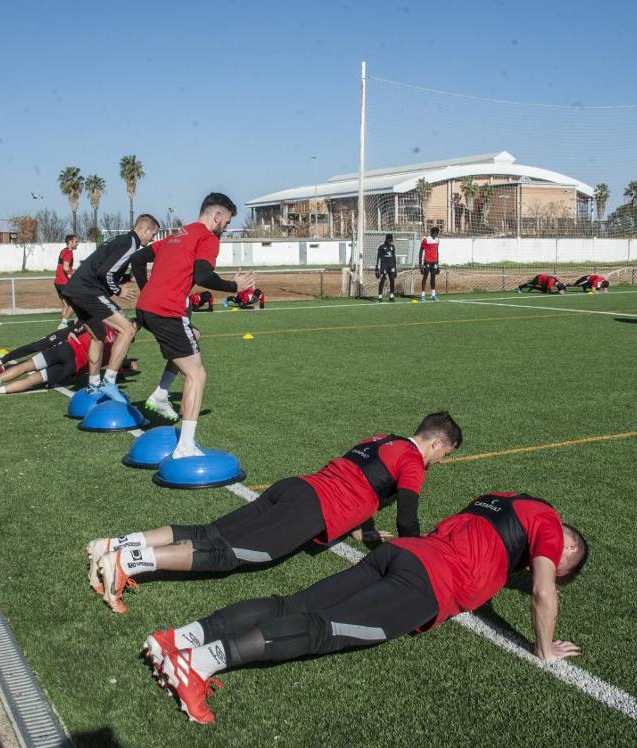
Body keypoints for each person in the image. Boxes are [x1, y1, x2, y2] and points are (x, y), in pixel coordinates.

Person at [142, 491, 588, 724]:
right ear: (567, 549)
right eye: (565, 563)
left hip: (403, 554)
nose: (547, 566)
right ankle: (198, 664)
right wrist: (544, 647)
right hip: (425, 583)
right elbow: (543, 593)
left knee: (291, 603)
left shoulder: (502, 500)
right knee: (322, 629)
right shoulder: (547, 524)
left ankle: (179, 639)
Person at [87, 412, 462, 613]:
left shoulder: (383, 440)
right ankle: (127, 563)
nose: (439, 462)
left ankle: (113, 544)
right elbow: (407, 518)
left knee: (208, 532)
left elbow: (362, 484)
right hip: (313, 507)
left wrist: (364, 533)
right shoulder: (413, 460)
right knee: (226, 554)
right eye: (444, 454)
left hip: (295, 487)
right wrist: (414, 556)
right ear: (438, 442)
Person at [127, 193, 254, 457]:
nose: (226, 228)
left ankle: (161, 394)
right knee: (197, 375)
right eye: (227, 223)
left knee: (193, 336)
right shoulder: (207, 237)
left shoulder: (177, 233)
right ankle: (185, 447)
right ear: (217, 216)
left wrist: (147, 290)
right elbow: (203, 274)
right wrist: (234, 287)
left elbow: (138, 260)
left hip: (147, 308)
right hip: (167, 310)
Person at [62, 214, 160, 395]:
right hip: (87, 290)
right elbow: (105, 273)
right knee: (128, 329)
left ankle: (93, 385)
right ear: (145, 230)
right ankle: (108, 382)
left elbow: (108, 269)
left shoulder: (122, 240)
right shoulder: (131, 244)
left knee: (98, 336)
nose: (153, 238)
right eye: (153, 234)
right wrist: (119, 290)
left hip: (75, 290)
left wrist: (126, 278)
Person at [0, 327, 128, 396]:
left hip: (67, 349)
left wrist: (74, 331)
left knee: (26, 365)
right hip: (73, 366)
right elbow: (116, 370)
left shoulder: (106, 324)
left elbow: (83, 321)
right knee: (32, 379)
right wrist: (126, 365)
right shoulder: (119, 350)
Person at [53, 234, 79, 327]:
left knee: (65, 305)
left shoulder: (63, 251)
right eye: (76, 241)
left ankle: (63, 325)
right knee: (74, 303)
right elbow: (65, 268)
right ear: (70, 242)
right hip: (64, 282)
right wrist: (73, 279)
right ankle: (64, 322)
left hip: (58, 282)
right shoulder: (68, 252)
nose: (77, 243)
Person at [418, 227, 441, 301]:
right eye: (435, 233)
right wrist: (420, 264)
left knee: (433, 278)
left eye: (437, 233)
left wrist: (437, 263)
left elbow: (437, 251)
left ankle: (433, 295)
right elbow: (421, 251)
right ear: (432, 233)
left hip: (434, 262)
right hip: (427, 261)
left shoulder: (437, 240)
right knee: (425, 277)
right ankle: (423, 295)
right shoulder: (425, 240)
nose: (436, 235)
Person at [375, 234, 397, 302]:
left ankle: (391, 296)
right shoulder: (381, 247)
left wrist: (395, 268)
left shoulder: (392, 247)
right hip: (384, 266)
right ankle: (380, 296)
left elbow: (394, 257)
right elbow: (378, 257)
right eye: (389, 240)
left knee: (392, 280)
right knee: (383, 279)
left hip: (391, 266)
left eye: (391, 241)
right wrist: (376, 267)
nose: (390, 242)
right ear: (386, 239)